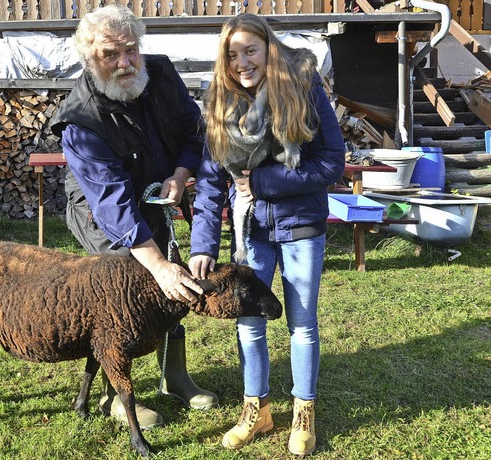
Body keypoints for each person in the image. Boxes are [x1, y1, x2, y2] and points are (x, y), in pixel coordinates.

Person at [50, 4, 218, 429]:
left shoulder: (160, 74)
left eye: (131, 50)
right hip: (101, 212)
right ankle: (113, 395)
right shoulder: (80, 120)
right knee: (122, 292)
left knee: (174, 278)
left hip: (158, 190)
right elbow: (113, 204)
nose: (125, 63)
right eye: (111, 54)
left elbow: (192, 129)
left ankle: (174, 377)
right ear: (91, 59)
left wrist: (180, 173)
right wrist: (156, 265)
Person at [188, 14, 345, 456]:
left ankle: (303, 412)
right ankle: (256, 409)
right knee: (249, 324)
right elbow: (210, 180)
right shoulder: (220, 102)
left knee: (302, 326)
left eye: (250, 50)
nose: (242, 62)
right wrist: (203, 245)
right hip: (249, 232)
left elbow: (331, 163)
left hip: (301, 228)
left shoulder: (303, 88)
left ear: (268, 48)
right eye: (232, 54)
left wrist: (262, 182)